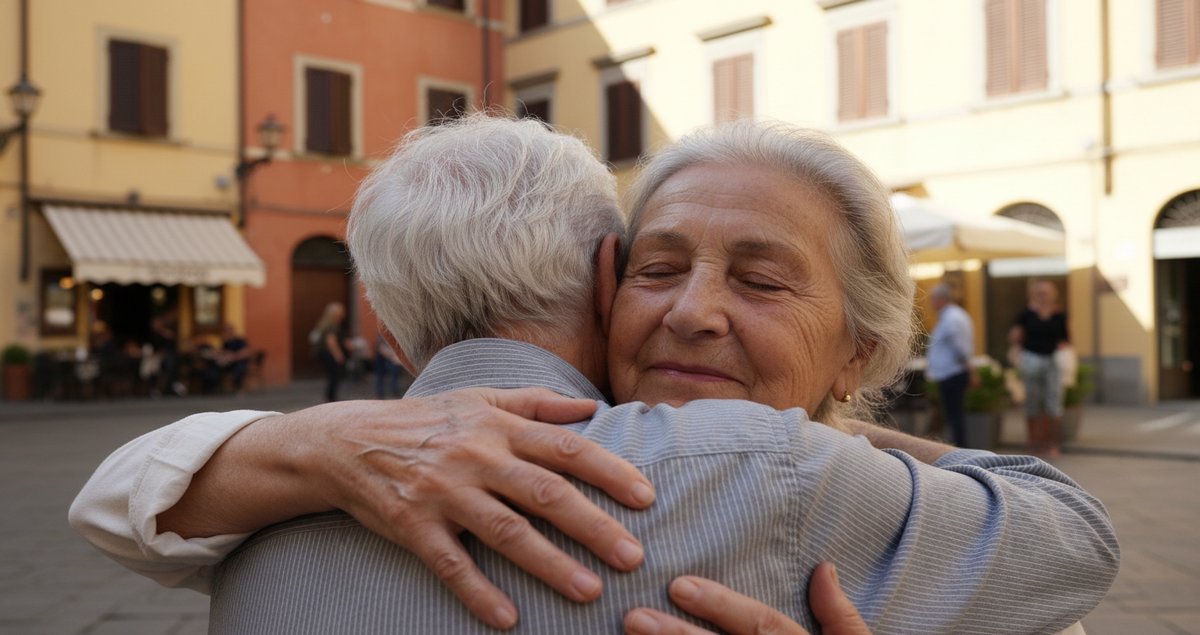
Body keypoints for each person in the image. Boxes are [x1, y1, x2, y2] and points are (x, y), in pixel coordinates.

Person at [71, 117, 1117, 633]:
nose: (694, 309)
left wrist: (299, 437)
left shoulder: (244, 539)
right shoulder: (791, 476)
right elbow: (1077, 534)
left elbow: (118, 505)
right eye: (661, 266)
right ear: (608, 277)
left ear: (864, 347)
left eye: (760, 280)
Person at [1009, 280, 1071, 458]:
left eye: (1047, 292)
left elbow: (1067, 339)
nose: (1044, 296)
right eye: (1040, 292)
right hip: (1032, 359)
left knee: (1054, 403)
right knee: (1032, 403)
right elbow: (1015, 336)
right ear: (1034, 294)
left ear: (1054, 295)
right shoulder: (1026, 314)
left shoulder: (1060, 315)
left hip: (1052, 360)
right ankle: (1033, 443)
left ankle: (1052, 444)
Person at [925, 283, 977, 446]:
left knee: (954, 414)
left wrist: (971, 370)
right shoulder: (951, 316)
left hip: (953, 373)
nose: (930, 303)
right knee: (952, 413)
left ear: (941, 299)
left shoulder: (953, 318)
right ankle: (957, 445)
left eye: (932, 299)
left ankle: (960, 447)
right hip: (950, 372)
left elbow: (961, 348)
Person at [311, 302, 347, 402]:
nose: (343, 313)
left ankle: (330, 396)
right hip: (329, 354)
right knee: (334, 375)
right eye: (341, 310)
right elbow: (331, 342)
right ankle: (331, 397)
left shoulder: (325, 324)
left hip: (325, 354)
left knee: (332, 376)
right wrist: (339, 356)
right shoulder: (332, 325)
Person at [219, 324, 252, 393]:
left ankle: (239, 388)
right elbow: (222, 353)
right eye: (225, 331)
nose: (227, 333)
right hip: (228, 363)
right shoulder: (226, 343)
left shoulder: (240, 341)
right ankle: (220, 388)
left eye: (228, 331)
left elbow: (246, 353)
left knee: (239, 368)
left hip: (240, 362)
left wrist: (233, 357)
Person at [373, 333, 405, 398]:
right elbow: (381, 348)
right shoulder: (381, 336)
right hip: (382, 358)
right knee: (381, 376)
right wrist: (392, 356)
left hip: (391, 358)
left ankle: (394, 391)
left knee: (394, 374)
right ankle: (380, 392)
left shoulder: (395, 335)